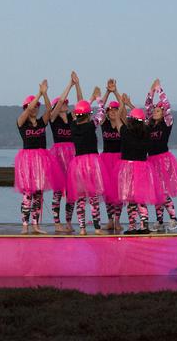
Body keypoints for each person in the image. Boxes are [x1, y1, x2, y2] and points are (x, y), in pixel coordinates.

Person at [14, 79, 61, 234]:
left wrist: (45, 94)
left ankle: (35, 225)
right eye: (31, 107)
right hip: (27, 160)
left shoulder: (41, 122)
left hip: (41, 161)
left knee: (38, 194)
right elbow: (26, 112)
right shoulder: (22, 122)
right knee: (28, 194)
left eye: (36, 107)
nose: (34, 109)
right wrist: (38, 94)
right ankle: (25, 225)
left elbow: (49, 109)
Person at [145, 79, 177, 231]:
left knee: (162, 191)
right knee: (156, 191)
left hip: (163, 160)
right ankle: (159, 221)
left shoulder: (166, 123)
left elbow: (167, 107)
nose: (155, 112)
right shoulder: (149, 125)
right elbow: (148, 107)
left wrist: (159, 90)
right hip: (150, 160)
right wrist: (150, 91)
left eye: (158, 110)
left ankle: (174, 218)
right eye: (155, 110)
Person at [66, 86, 109, 236]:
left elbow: (77, 112)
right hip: (91, 162)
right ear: (88, 115)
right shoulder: (92, 125)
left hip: (77, 164)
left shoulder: (72, 126)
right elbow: (102, 112)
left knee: (81, 198)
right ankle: (97, 228)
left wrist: (88, 100)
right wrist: (98, 98)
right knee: (93, 196)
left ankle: (82, 228)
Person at [115, 98, 160, 234]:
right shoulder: (147, 131)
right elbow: (144, 119)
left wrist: (122, 104)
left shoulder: (125, 131)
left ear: (130, 120)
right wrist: (131, 105)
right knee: (141, 199)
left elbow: (117, 118)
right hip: (142, 167)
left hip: (127, 167)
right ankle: (144, 225)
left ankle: (132, 227)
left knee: (131, 200)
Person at [48, 73, 78, 233]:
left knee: (72, 191)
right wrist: (70, 84)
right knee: (58, 192)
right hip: (58, 157)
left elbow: (81, 103)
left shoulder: (72, 119)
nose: (66, 104)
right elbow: (60, 101)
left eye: (67, 103)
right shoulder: (53, 119)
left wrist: (77, 85)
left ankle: (68, 222)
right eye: (63, 103)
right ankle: (57, 223)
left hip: (72, 157)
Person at [99, 79, 125, 232]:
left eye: (116, 109)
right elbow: (101, 107)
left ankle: (117, 220)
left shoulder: (122, 122)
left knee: (119, 192)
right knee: (108, 192)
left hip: (120, 159)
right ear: (108, 113)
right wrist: (107, 92)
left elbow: (122, 104)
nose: (113, 111)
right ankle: (110, 220)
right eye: (111, 110)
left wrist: (116, 90)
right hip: (106, 159)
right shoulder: (104, 123)